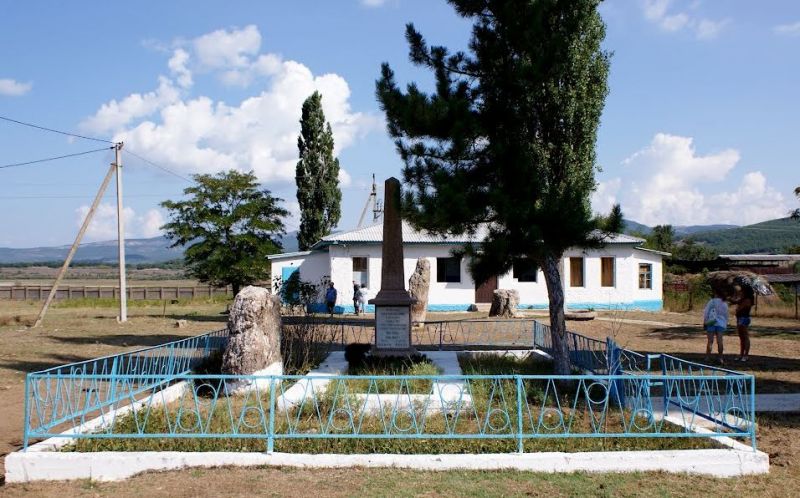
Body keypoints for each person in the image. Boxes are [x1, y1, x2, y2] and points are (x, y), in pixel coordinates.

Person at [703, 290, 729, 365]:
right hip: (721, 324)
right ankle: (720, 357)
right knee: (720, 341)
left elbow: (706, 312)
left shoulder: (711, 301)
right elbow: (726, 315)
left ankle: (707, 357)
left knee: (710, 341)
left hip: (711, 322)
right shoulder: (724, 303)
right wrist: (725, 324)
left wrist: (705, 321)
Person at [734, 287, 754, 362]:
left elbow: (739, 309)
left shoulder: (747, 300)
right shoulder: (742, 300)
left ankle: (746, 355)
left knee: (745, 337)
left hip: (744, 318)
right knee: (741, 338)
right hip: (740, 318)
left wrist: (738, 306)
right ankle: (741, 354)